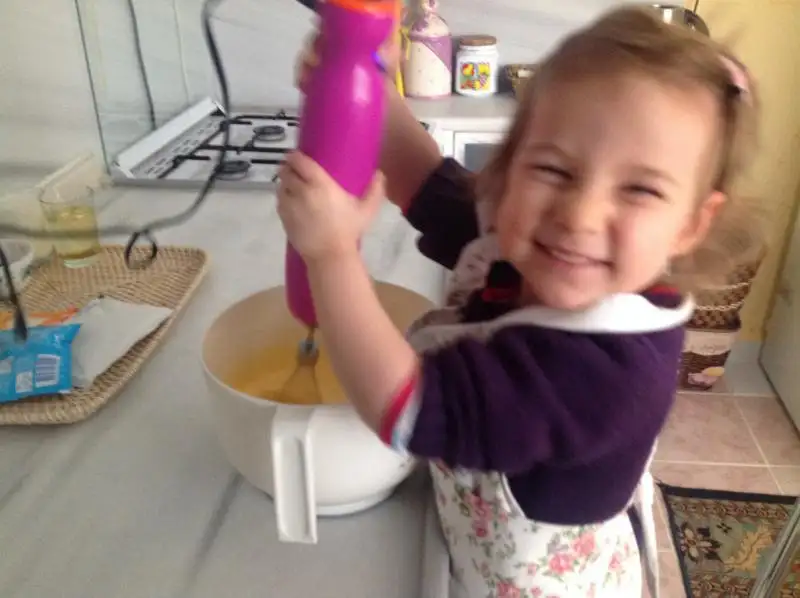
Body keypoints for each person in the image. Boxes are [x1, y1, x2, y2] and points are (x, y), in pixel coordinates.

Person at [277, 6, 764, 597]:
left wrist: (331, 256)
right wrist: (364, 87)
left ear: (691, 223)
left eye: (639, 189)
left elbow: (406, 410)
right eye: (554, 170)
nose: (579, 215)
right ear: (508, 169)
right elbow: (424, 184)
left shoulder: (606, 376)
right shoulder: (530, 243)